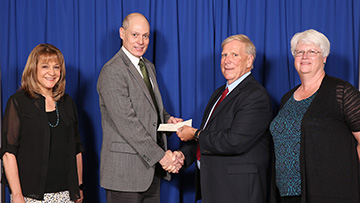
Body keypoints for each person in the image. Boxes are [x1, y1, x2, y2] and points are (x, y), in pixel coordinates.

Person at [97, 12, 183, 203]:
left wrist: (167, 119)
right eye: (135, 35)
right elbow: (127, 122)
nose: (141, 41)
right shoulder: (112, 71)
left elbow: (150, 108)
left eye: (145, 36)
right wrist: (162, 157)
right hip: (124, 175)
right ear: (122, 33)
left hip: (149, 172)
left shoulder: (148, 67)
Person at [176, 34, 272, 203]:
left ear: (249, 61)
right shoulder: (219, 93)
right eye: (224, 55)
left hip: (238, 191)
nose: (227, 60)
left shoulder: (256, 95)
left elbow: (234, 141)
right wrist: (182, 156)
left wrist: (195, 134)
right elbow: (209, 135)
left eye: (235, 55)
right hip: (215, 187)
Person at [269, 29, 360, 203]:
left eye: (312, 52)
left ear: (324, 57)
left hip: (329, 192)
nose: (305, 56)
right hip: (286, 194)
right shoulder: (287, 97)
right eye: (299, 52)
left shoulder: (341, 92)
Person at [0, 43, 84, 203]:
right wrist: (17, 195)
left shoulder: (67, 102)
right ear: (34, 69)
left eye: (56, 67)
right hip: (29, 196)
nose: (52, 73)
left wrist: (79, 187)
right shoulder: (18, 102)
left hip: (66, 194)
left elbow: (77, 148)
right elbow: (8, 153)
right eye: (45, 66)